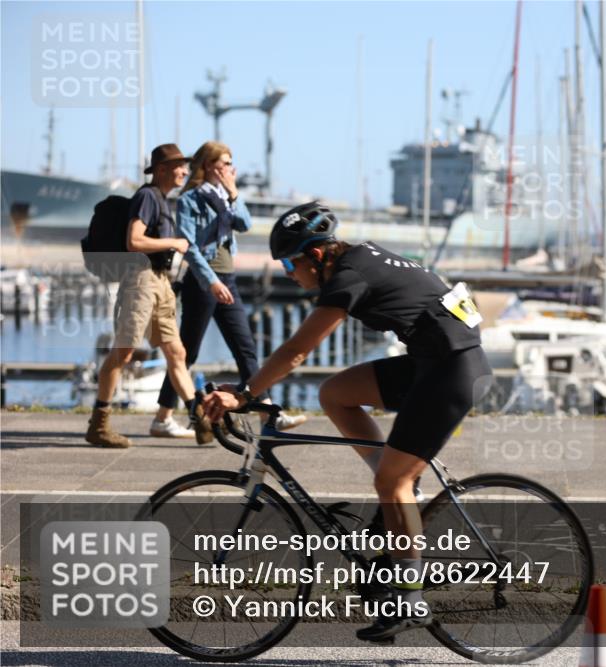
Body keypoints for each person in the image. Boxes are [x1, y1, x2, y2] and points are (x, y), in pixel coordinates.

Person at [204, 201, 492, 640]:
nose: (286, 274)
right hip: (435, 360)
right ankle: (396, 482)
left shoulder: (348, 277)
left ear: (316, 256)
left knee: (391, 484)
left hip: (452, 369)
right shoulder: (360, 258)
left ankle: (410, 597)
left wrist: (244, 394)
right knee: (334, 394)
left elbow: (298, 351)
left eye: (288, 263)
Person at [151, 141, 306, 437]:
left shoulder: (227, 196)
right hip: (204, 281)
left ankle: (269, 413)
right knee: (187, 352)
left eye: (231, 163)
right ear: (209, 166)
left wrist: (234, 192)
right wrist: (211, 281)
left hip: (228, 278)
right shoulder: (191, 200)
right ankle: (162, 418)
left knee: (245, 347)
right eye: (224, 163)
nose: (230, 169)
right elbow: (189, 246)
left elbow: (244, 224)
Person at [86, 144, 212, 448]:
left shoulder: (163, 201)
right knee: (124, 353)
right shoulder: (147, 196)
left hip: (160, 282)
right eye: (180, 166)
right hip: (140, 281)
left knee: (176, 353)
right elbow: (134, 240)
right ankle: (99, 424)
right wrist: (175, 242)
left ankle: (200, 417)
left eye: (185, 166)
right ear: (162, 169)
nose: (185, 171)